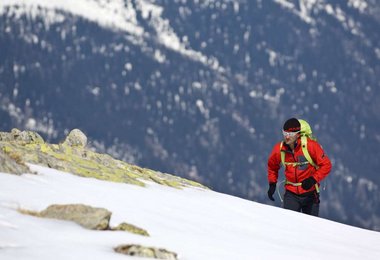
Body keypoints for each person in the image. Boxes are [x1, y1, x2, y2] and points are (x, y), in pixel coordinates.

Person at [267, 118, 332, 216]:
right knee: (289, 224)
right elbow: (272, 166)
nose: (287, 137)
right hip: (291, 194)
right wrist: (272, 184)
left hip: (310, 194)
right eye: (285, 133)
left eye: (290, 134)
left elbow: (326, 165)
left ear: (298, 134)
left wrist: (313, 179)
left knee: (311, 227)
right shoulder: (279, 150)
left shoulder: (311, 146)